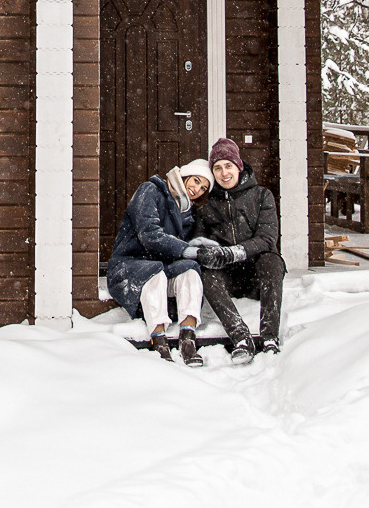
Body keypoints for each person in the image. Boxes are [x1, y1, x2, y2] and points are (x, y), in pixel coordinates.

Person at [106, 158, 224, 365]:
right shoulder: (150, 190)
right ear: (185, 175)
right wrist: (186, 249)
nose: (197, 189)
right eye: (196, 181)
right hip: (129, 266)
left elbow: (176, 247)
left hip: (161, 266)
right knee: (154, 272)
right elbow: (149, 235)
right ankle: (159, 340)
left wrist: (195, 246)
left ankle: (188, 337)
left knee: (189, 271)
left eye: (203, 188)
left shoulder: (186, 210)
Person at [195, 139, 284, 361]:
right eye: (217, 168)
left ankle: (270, 337)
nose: (224, 173)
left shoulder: (262, 196)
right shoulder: (207, 203)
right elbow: (198, 239)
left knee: (273, 261)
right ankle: (241, 337)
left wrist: (236, 251)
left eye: (228, 166)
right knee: (205, 272)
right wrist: (208, 252)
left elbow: (267, 239)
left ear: (239, 166)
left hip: (256, 276)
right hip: (228, 278)